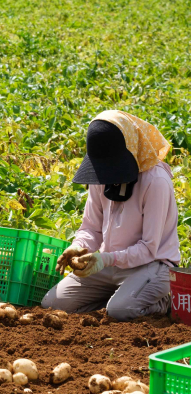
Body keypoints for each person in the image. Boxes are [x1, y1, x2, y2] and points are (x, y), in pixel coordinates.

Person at [41, 110, 180, 321]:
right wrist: (77, 246)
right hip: (109, 263)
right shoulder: (102, 174)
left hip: (152, 266)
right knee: (53, 304)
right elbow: (91, 227)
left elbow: (149, 248)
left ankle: (161, 301)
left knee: (121, 311)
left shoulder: (155, 181)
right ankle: (117, 300)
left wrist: (106, 258)